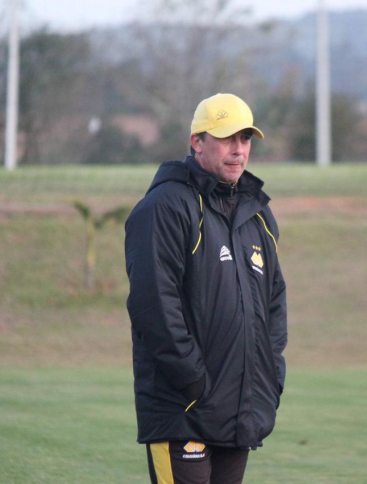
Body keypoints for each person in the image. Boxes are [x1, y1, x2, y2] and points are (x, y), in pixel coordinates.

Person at [125, 93, 287, 484]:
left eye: (245, 139)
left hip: (239, 409)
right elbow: (154, 306)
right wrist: (194, 382)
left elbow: (274, 305)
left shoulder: (257, 214)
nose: (238, 150)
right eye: (227, 137)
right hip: (184, 410)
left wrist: (269, 374)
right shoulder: (165, 206)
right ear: (197, 141)